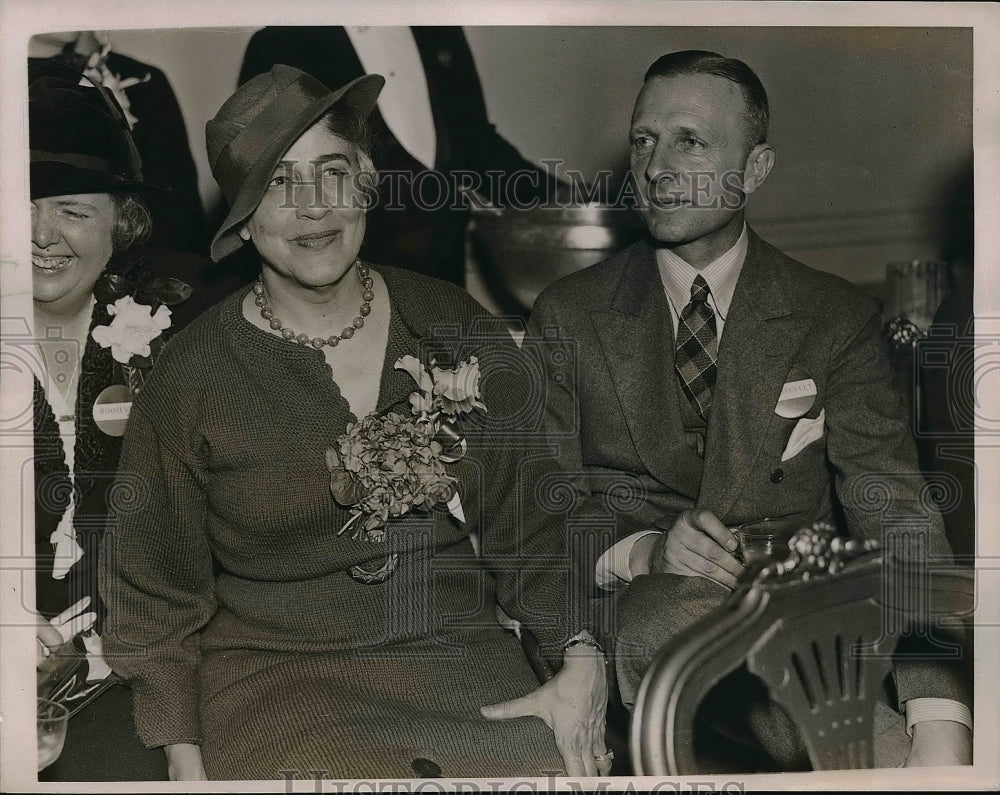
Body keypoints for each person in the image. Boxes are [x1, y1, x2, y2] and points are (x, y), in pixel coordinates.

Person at [99, 65, 609, 781]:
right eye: (279, 182)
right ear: (243, 220)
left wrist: (581, 656)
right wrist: (186, 763)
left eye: (332, 172)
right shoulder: (192, 374)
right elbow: (155, 599)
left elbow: (536, 523)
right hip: (279, 683)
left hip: (457, 657)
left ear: (367, 182)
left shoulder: (455, 323)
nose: (314, 208)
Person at [526, 50, 972, 769]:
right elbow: (535, 511)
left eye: (690, 141)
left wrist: (940, 717)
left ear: (757, 169)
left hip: (811, 633)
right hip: (642, 621)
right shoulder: (568, 316)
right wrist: (641, 550)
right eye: (644, 140)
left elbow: (897, 514)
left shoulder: (833, 317)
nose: (657, 166)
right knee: (668, 616)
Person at [28, 57, 192, 780]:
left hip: (124, 670)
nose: (41, 234)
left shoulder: (162, 347)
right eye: (19, 201)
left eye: (72, 208)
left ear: (120, 221)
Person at [237, 26, 565, 287]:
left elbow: (474, 143)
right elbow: (258, 177)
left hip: (445, 281)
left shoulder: (439, 28)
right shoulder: (282, 40)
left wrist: (574, 201)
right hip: (349, 283)